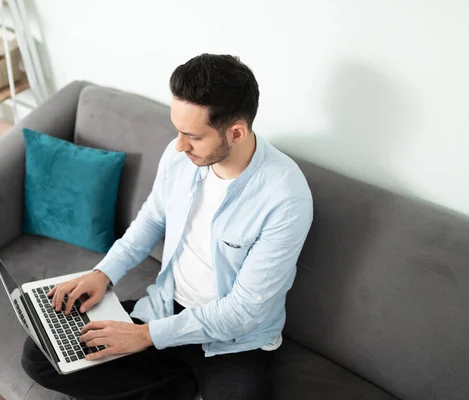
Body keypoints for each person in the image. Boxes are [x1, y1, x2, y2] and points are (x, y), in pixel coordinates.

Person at [21, 53, 313, 400]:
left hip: (233, 342)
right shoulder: (179, 157)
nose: (179, 145)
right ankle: (177, 384)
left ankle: (167, 378)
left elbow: (245, 311)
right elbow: (151, 220)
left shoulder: (286, 197)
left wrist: (145, 337)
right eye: (178, 130)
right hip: (163, 308)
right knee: (40, 355)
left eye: (193, 136)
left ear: (235, 132)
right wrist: (104, 274)